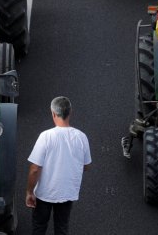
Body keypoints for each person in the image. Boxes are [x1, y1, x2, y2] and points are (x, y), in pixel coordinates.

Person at [26, 96, 92, 235]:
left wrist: (29, 192)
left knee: (39, 227)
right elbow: (86, 166)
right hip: (67, 193)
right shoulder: (81, 137)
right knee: (62, 228)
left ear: (53, 113)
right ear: (70, 112)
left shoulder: (46, 136)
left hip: (44, 193)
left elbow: (34, 169)